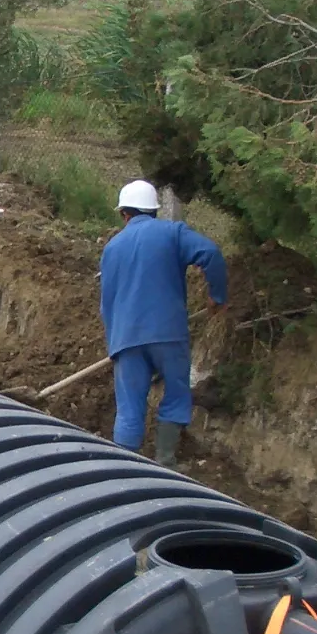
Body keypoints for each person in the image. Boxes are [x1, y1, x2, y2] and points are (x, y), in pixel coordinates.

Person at [98, 179, 227, 467]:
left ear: (124, 214)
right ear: (154, 211)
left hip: (126, 339)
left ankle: (123, 470)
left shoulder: (112, 248)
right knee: (177, 394)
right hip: (168, 333)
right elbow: (211, 254)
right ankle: (165, 462)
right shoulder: (173, 233)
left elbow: (106, 303)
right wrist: (217, 296)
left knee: (129, 407)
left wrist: (115, 344)